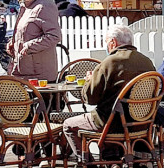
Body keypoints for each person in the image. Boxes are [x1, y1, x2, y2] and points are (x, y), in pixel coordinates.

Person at [62, 24, 155, 156]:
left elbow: (91, 98)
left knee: (68, 125)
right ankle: (114, 164)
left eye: (106, 42)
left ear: (112, 42)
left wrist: (89, 80)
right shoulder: (147, 62)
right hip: (141, 122)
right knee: (110, 110)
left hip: (111, 122)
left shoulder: (110, 62)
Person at [8, 0, 61, 82]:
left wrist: (28, 46)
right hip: (25, 69)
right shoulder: (28, 5)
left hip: (39, 74)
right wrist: (14, 43)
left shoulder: (44, 6)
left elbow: (54, 36)